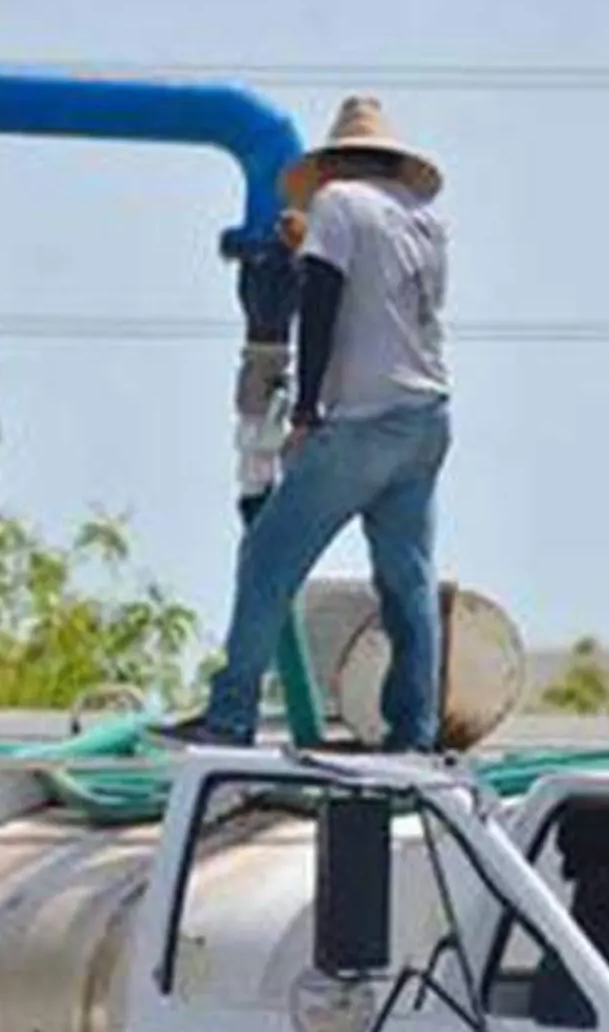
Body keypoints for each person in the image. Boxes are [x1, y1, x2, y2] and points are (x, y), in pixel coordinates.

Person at [151, 95, 452, 752]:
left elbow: (321, 301)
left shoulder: (340, 206)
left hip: (363, 422)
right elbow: (388, 299)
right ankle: (415, 735)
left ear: (334, 166)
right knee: (408, 577)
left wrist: (308, 409)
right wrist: (308, 242)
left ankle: (230, 718)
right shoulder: (424, 221)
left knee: (267, 557)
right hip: (427, 418)